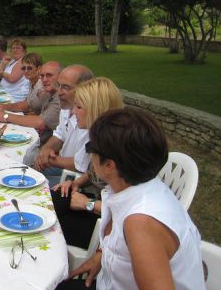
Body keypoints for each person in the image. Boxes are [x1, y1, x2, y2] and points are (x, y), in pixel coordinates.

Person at [57, 108, 204, 290]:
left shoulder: (141, 222)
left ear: (110, 165)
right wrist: (102, 254)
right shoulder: (135, 187)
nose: (89, 155)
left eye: (90, 148)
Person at [50, 77, 123, 250]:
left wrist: (86, 204)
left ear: (96, 110)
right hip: (99, 205)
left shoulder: (119, 148)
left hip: (111, 227)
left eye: (79, 107)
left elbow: (127, 210)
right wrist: (76, 183)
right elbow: (93, 173)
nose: (74, 112)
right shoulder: (101, 137)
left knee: (49, 228)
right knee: (49, 200)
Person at [33, 65, 94, 182]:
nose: (59, 92)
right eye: (58, 85)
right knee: (29, 172)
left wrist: (48, 159)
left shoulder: (89, 118)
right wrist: (46, 150)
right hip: (62, 166)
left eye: (65, 87)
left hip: (80, 178)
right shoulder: (67, 106)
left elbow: (81, 164)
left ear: (84, 88)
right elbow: (59, 135)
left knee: (36, 185)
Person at [0, 56, 62, 146]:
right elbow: (26, 104)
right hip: (43, 133)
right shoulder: (35, 83)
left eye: (29, 68)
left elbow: (40, 122)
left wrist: (6, 116)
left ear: (38, 69)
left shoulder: (44, 89)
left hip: (48, 140)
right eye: (23, 68)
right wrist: (3, 107)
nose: (26, 71)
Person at [0, 38, 30, 102]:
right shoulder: (12, 61)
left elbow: (12, 78)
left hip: (14, 97)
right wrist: (2, 64)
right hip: (6, 95)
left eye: (18, 48)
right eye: (13, 48)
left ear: (24, 50)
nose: (15, 50)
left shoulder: (23, 61)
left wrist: (2, 72)